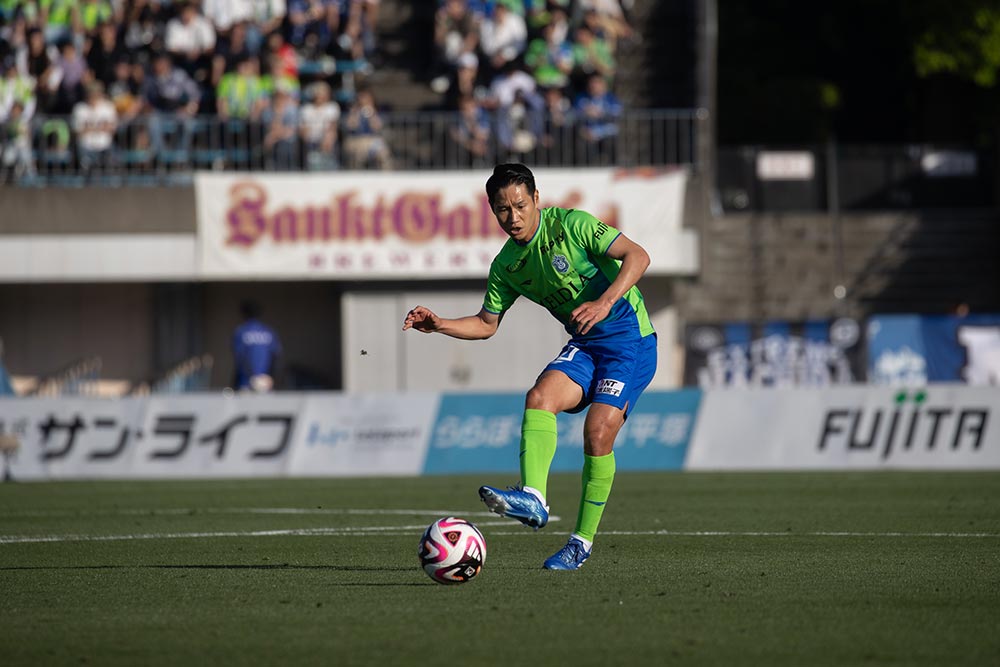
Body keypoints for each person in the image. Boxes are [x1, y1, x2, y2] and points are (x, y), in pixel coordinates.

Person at [402, 163, 657, 571]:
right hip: (587, 346)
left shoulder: (572, 226)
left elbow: (638, 256)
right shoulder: (507, 265)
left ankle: (580, 543)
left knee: (597, 434)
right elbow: (486, 324)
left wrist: (604, 302)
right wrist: (440, 324)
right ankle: (534, 498)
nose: (513, 217)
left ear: (536, 199)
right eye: (503, 209)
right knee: (539, 397)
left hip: (631, 343)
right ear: (493, 210)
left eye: (520, 205)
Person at [232, 300, 282, 391]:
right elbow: (275, 356)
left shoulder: (241, 331)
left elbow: (240, 358)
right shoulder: (268, 331)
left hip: (246, 382)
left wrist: (252, 377)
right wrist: (270, 377)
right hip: (265, 382)